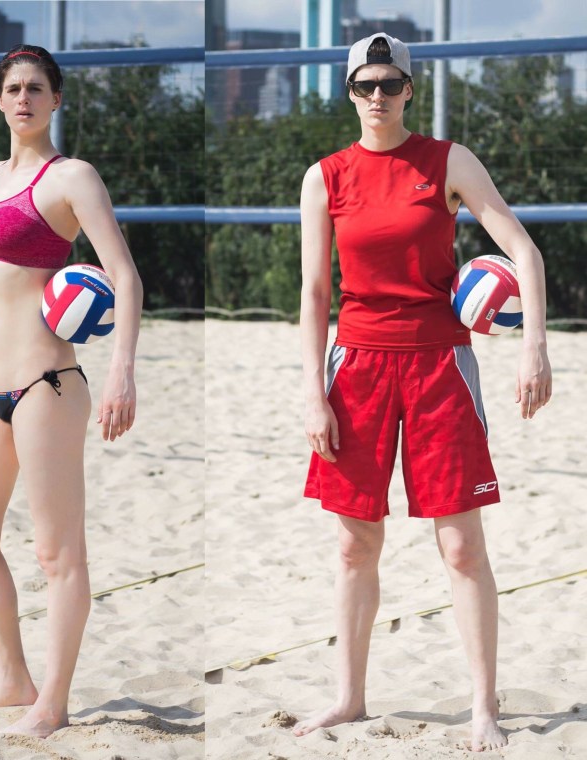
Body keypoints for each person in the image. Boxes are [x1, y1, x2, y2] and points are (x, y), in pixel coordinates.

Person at [296, 33, 552, 752]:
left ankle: (483, 708)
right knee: (353, 546)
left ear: (410, 88)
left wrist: (534, 344)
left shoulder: (448, 161)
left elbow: (523, 252)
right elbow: (316, 293)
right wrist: (312, 393)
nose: (377, 96)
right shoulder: (327, 177)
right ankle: (349, 697)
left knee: (462, 545)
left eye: (389, 83)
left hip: (441, 363)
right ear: (349, 91)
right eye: (364, 84)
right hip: (357, 368)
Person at [0, 44, 143, 738]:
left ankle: (52, 703)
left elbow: (124, 275)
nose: (24, 97)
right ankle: (13, 678)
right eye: (13, 87)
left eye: (37, 87)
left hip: (45, 382)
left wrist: (122, 369)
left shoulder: (73, 178)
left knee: (58, 554)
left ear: (57, 100)